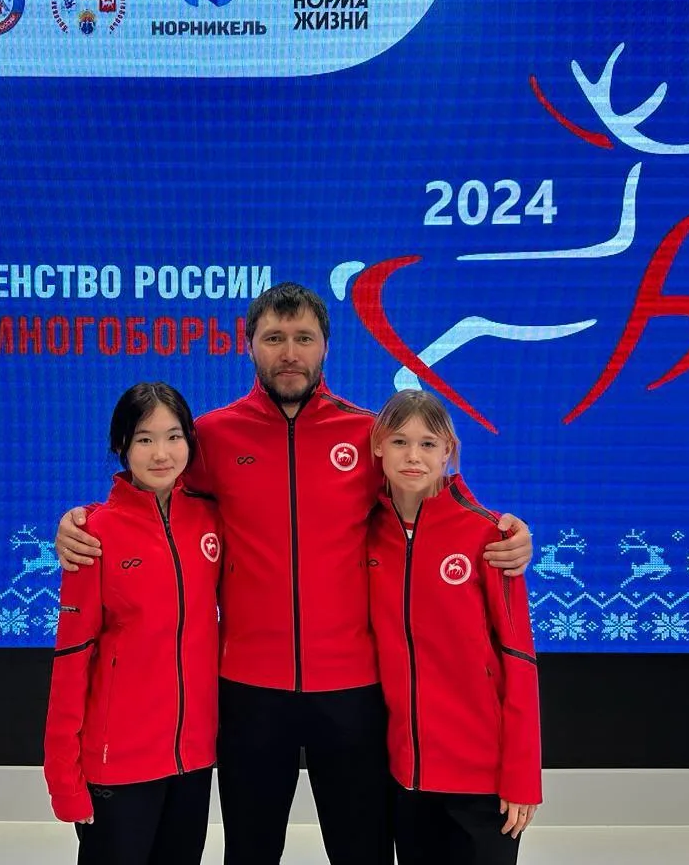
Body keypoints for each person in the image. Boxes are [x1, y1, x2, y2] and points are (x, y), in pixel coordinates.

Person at [56, 283, 534, 865]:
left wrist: (501, 528)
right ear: (249, 345)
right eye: (274, 338)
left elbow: (428, 490)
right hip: (249, 688)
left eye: (303, 338)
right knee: (251, 852)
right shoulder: (214, 436)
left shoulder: (365, 433)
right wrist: (82, 520)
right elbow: (153, 496)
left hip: (352, 688)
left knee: (362, 853)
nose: (289, 353)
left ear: (326, 346)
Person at [43, 382, 223, 865]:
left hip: (192, 758)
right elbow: (71, 661)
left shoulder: (210, 519)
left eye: (174, 437)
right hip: (117, 764)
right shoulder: (93, 535)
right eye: (145, 439)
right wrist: (63, 777)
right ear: (122, 445)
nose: (161, 453)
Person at [367, 389, 540, 865]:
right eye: (399, 441)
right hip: (408, 776)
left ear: (449, 451)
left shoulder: (489, 536)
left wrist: (523, 776)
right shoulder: (367, 533)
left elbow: (519, 659)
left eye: (428, 444)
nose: (413, 456)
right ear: (378, 446)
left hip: (482, 780)